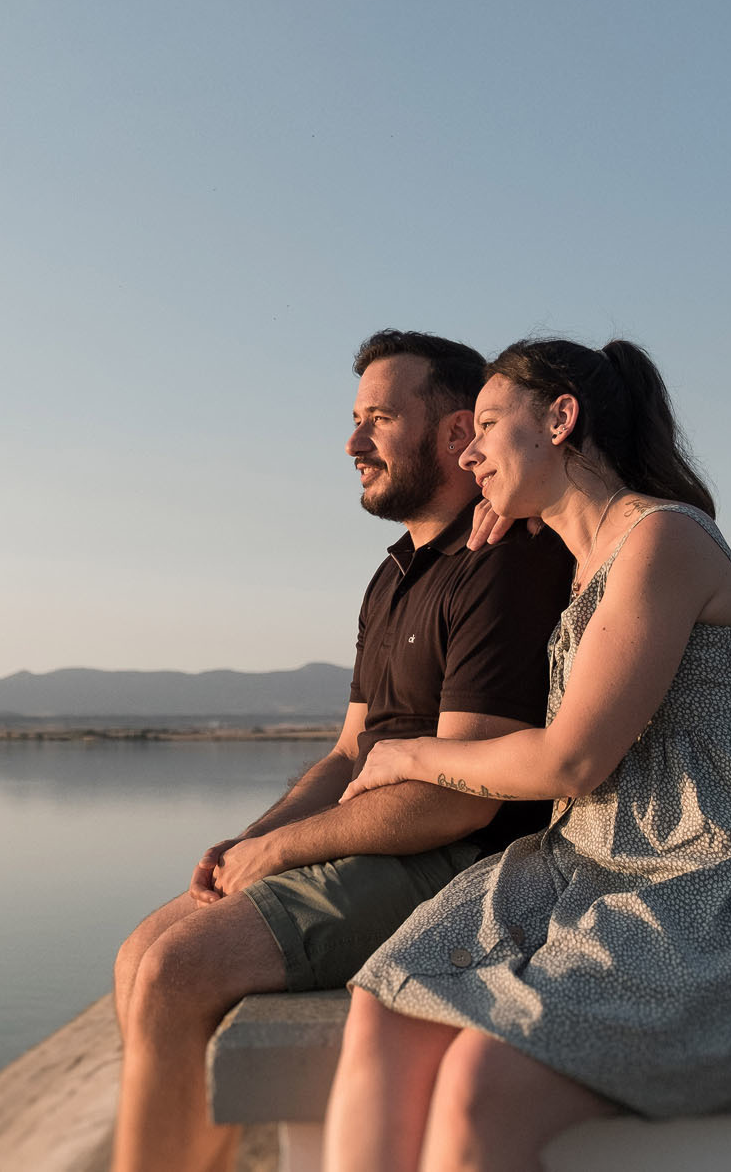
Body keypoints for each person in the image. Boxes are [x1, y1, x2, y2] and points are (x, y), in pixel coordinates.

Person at [323, 337, 731, 1172]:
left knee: (479, 1083)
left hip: (703, 877)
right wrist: (514, 510)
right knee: (385, 1004)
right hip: (595, 859)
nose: (468, 451)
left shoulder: (664, 540)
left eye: (490, 424)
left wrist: (413, 755)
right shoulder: (582, 557)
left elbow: (571, 763)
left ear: (562, 418)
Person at [109, 331, 575, 1172]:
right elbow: (349, 750)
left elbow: (461, 795)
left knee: (178, 968)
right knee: (139, 951)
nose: (352, 442)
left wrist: (282, 849)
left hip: (453, 860)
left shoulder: (501, 562)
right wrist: (250, 837)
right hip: (369, 840)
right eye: (355, 419)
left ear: (454, 430)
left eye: (378, 419)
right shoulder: (394, 573)